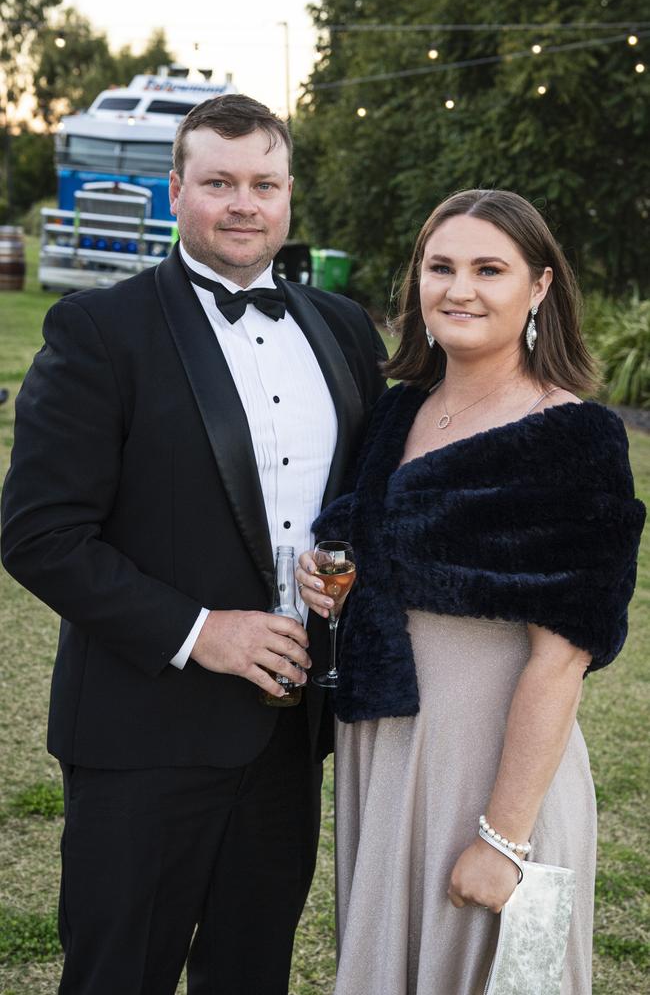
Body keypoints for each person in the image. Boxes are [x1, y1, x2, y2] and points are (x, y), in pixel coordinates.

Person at [0, 94, 386, 995]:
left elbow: (363, 502)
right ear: (176, 192)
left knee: (252, 974)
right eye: (219, 182)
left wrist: (353, 571)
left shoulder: (344, 330)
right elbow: (39, 534)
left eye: (264, 183)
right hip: (143, 734)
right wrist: (201, 631)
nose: (243, 203)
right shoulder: (100, 331)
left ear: (290, 195)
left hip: (291, 735)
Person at [297, 189, 645, 994]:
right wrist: (333, 579)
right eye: (440, 266)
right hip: (384, 750)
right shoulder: (399, 411)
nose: (459, 289)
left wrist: (504, 839)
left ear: (540, 288)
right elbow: (379, 546)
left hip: (488, 762)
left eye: (490, 269)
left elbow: (561, 661)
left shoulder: (577, 437)